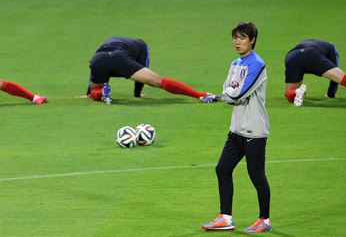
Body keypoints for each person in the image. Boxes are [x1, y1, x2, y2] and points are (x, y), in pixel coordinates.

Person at [201, 22, 272, 234]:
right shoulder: (235, 63)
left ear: (252, 40)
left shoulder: (257, 64)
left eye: (242, 37)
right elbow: (228, 90)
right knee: (222, 169)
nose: (237, 42)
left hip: (255, 131)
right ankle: (225, 217)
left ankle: (264, 219)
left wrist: (226, 95)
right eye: (235, 37)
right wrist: (227, 94)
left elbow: (238, 94)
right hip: (236, 130)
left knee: (256, 174)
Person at [84, 36, 218, 104]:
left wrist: (88, 92)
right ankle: (201, 95)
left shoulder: (112, 39)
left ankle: (99, 93)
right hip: (120, 59)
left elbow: (93, 72)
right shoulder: (142, 46)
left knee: (95, 90)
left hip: (98, 59)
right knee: (159, 81)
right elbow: (143, 67)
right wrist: (137, 94)